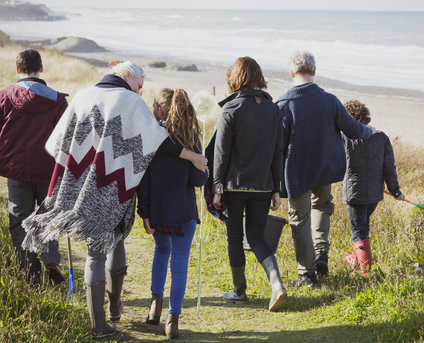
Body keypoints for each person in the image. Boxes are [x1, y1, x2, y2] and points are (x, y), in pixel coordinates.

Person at [21, 61, 207, 339]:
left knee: (96, 253)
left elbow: (55, 143)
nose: (140, 92)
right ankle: (113, 312)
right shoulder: (130, 101)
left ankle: (100, 324)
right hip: (113, 190)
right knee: (112, 242)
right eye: (139, 86)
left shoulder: (82, 95)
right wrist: (193, 156)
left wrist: (78, 167)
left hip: (77, 189)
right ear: (128, 76)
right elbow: (159, 141)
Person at [276, 50, 377, 288]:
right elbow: (353, 129)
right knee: (321, 206)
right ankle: (321, 254)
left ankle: (307, 274)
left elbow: (277, 147)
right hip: (325, 167)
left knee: (298, 219)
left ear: (291, 73)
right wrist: (371, 131)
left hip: (297, 172)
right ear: (314, 71)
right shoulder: (330, 100)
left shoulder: (283, 103)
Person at [210, 56, 287, 312]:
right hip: (264, 185)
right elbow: (278, 153)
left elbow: (221, 153)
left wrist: (217, 188)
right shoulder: (273, 109)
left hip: (233, 186)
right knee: (256, 237)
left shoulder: (231, 109)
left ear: (235, 78)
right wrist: (276, 187)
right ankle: (277, 285)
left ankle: (240, 292)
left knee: (235, 237)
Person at [137, 88, 208, 340]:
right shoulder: (191, 138)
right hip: (184, 212)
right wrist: (203, 163)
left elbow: (143, 180)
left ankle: (155, 305)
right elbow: (198, 180)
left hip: (158, 212)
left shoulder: (152, 137)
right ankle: (172, 321)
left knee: (161, 251)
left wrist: (144, 212)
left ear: (161, 109)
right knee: (179, 267)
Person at [0, 48, 67, 286]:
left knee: (19, 222)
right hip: (49, 171)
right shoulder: (58, 100)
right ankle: (50, 259)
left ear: (17, 69)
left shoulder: (5, 97)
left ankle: (30, 273)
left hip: (16, 170)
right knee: (48, 217)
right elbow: (66, 139)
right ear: (41, 68)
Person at [342, 100, 404, 276]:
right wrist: (395, 190)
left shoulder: (344, 137)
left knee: (359, 232)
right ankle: (354, 258)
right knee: (363, 228)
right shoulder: (381, 137)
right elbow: (389, 169)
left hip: (355, 195)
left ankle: (366, 273)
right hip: (374, 195)